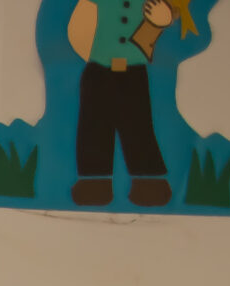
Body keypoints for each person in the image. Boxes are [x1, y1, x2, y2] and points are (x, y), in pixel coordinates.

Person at [69, 0, 181, 207]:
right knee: (94, 126)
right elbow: (78, 26)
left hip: (134, 74)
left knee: (139, 126)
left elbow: (155, 30)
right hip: (98, 72)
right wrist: (93, 55)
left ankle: (149, 183)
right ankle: (94, 183)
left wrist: (160, 21)